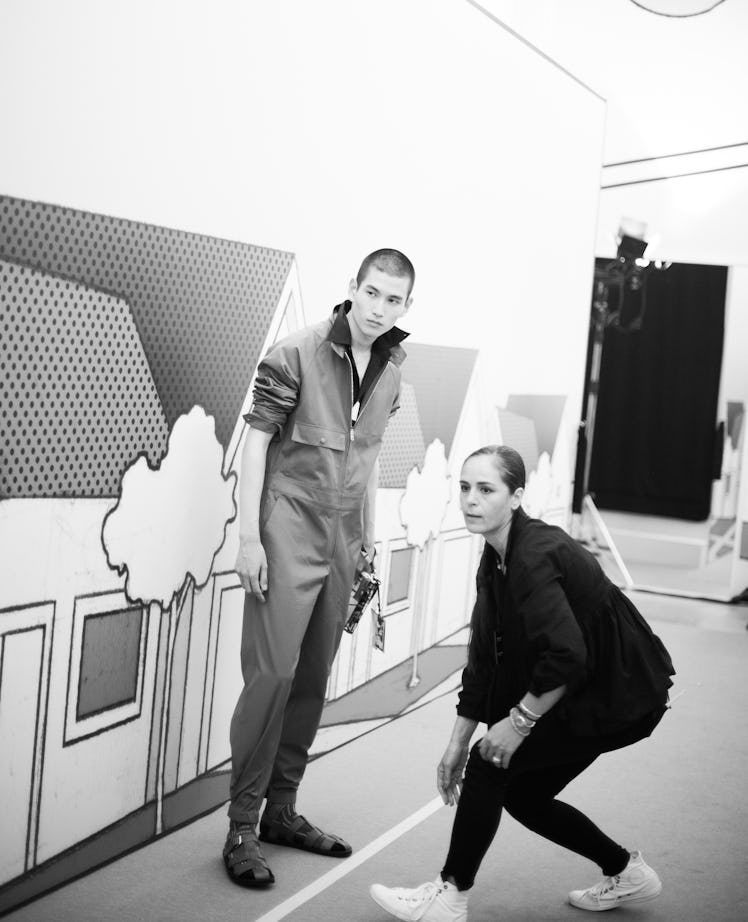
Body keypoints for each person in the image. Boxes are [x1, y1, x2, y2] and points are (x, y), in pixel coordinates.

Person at [370, 444, 675, 920]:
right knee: (521, 793)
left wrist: (519, 721)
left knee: (492, 761)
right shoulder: (495, 558)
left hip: (618, 691)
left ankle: (450, 896)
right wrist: (456, 743)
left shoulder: (534, 554)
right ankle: (625, 871)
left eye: (486, 489)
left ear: (515, 497)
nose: (471, 499)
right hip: (586, 684)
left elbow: (567, 655)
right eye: (465, 487)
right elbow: (484, 663)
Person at [224, 248, 415, 888]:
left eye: (393, 299)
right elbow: (255, 445)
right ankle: (242, 828)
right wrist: (249, 538)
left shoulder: (393, 370)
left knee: (311, 678)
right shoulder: (294, 352)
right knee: (271, 675)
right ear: (352, 290)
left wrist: (368, 540)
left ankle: (282, 810)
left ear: (405, 308)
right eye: (372, 293)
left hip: (345, 540)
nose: (379, 308)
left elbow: (368, 462)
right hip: (285, 526)